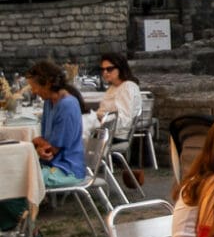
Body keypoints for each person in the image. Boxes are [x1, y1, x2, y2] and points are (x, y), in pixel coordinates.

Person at [26, 58, 86, 188]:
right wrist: (41, 145)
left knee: (19, 181)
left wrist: (37, 142)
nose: (33, 91)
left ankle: (24, 208)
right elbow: (47, 144)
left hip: (67, 169)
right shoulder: (49, 102)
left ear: (47, 83)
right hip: (51, 164)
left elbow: (52, 148)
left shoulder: (67, 105)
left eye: (34, 87)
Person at [97, 52, 142, 140]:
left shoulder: (127, 87)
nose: (105, 72)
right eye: (102, 69)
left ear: (120, 68)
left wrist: (102, 118)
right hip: (105, 131)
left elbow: (124, 121)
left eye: (109, 69)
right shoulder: (113, 87)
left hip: (116, 135)